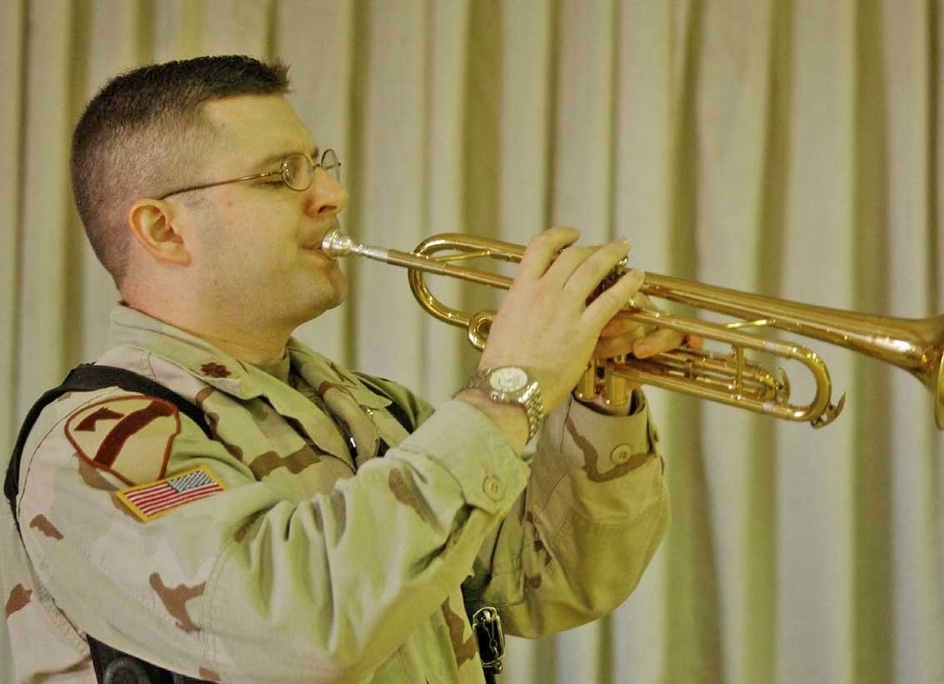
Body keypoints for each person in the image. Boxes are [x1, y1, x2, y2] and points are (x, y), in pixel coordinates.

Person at [2, 55, 680, 683]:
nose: (332, 193)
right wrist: (511, 389)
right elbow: (300, 626)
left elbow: (549, 582)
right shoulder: (93, 446)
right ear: (163, 230)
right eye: (281, 174)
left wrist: (600, 394)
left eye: (319, 164)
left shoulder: (365, 406)